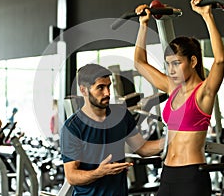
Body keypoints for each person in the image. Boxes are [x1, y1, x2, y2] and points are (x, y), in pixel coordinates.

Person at [134, 0, 224, 196]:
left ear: (193, 62)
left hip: (191, 177)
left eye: (177, 63)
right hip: (168, 174)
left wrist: (206, 15)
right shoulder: (171, 87)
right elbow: (139, 63)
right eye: (168, 65)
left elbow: (219, 60)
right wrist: (143, 25)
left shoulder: (203, 92)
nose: (171, 70)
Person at [60, 63, 165, 196]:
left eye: (108, 86)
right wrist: (100, 172)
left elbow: (142, 148)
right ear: (83, 90)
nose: (107, 93)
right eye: (100, 88)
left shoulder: (120, 114)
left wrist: (171, 140)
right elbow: (71, 176)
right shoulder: (72, 128)